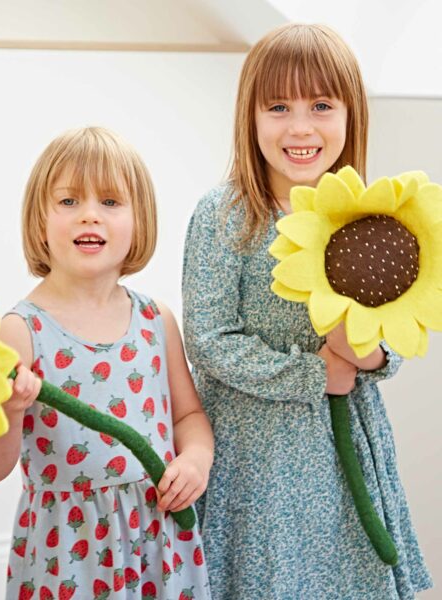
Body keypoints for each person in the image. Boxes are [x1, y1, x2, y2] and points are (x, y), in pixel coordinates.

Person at [182, 23, 432, 600]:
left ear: (351, 116)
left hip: (344, 455)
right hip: (260, 459)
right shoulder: (226, 217)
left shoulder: (367, 218)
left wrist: (367, 356)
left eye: (321, 105)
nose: (300, 126)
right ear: (251, 116)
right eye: (278, 106)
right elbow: (211, 339)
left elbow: (390, 330)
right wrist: (313, 373)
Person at [0, 126, 214, 599]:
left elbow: (188, 416)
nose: (89, 216)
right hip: (70, 553)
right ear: (38, 221)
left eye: (110, 202)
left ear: (138, 220)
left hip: (157, 541)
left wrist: (197, 460)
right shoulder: (21, 331)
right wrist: (11, 410)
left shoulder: (155, 319)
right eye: (67, 202)